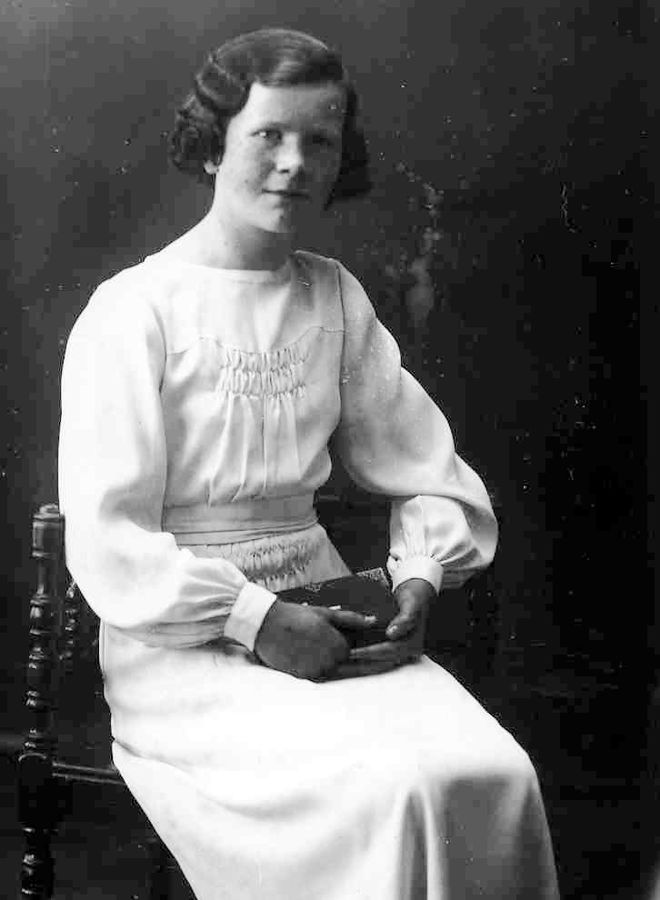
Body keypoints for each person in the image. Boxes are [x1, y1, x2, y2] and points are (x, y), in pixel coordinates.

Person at [58, 27, 559, 900]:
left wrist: (419, 577)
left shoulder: (331, 295)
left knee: (491, 771)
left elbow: (425, 467)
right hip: (182, 646)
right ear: (213, 146)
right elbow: (110, 542)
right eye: (268, 135)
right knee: (396, 790)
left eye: (319, 141)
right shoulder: (133, 310)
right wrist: (255, 619)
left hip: (330, 609)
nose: (294, 163)